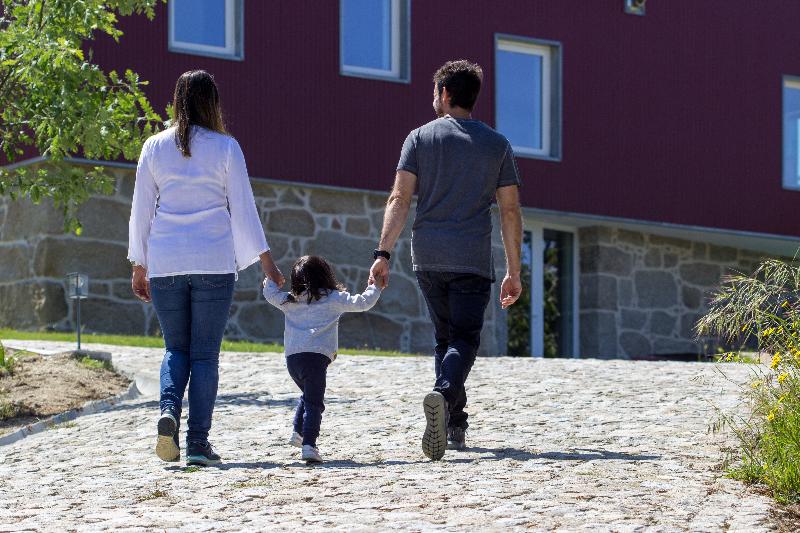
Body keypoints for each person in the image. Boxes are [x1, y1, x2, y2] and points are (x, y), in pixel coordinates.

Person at [128, 70, 284, 466]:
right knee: (204, 356)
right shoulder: (226, 147)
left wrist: (139, 264)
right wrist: (268, 264)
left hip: (165, 261)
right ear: (212, 103)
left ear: (177, 100)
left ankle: (167, 412)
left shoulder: (154, 146)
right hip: (213, 261)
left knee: (174, 349)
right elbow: (243, 211)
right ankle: (198, 443)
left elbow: (141, 211)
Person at [369, 60, 523, 461]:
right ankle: (443, 396)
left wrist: (383, 252)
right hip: (471, 258)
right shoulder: (497, 145)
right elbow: (510, 212)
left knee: (445, 339)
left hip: (429, 257)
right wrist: (513, 270)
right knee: (464, 339)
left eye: (435, 91)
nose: (432, 98)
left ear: (447, 94)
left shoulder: (419, 139)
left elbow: (399, 199)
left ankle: (455, 422)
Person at [264, 255, 381, 463]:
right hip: (316, 359)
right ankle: (309, 444)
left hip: (293, 360)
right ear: (326, 275)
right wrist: (375, 286)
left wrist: (271, 278)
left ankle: (297, 433)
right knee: (315, 403)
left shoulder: (290, 300)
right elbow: (363, 303)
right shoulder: (334, 298)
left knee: (307, 396)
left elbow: (269, 293)